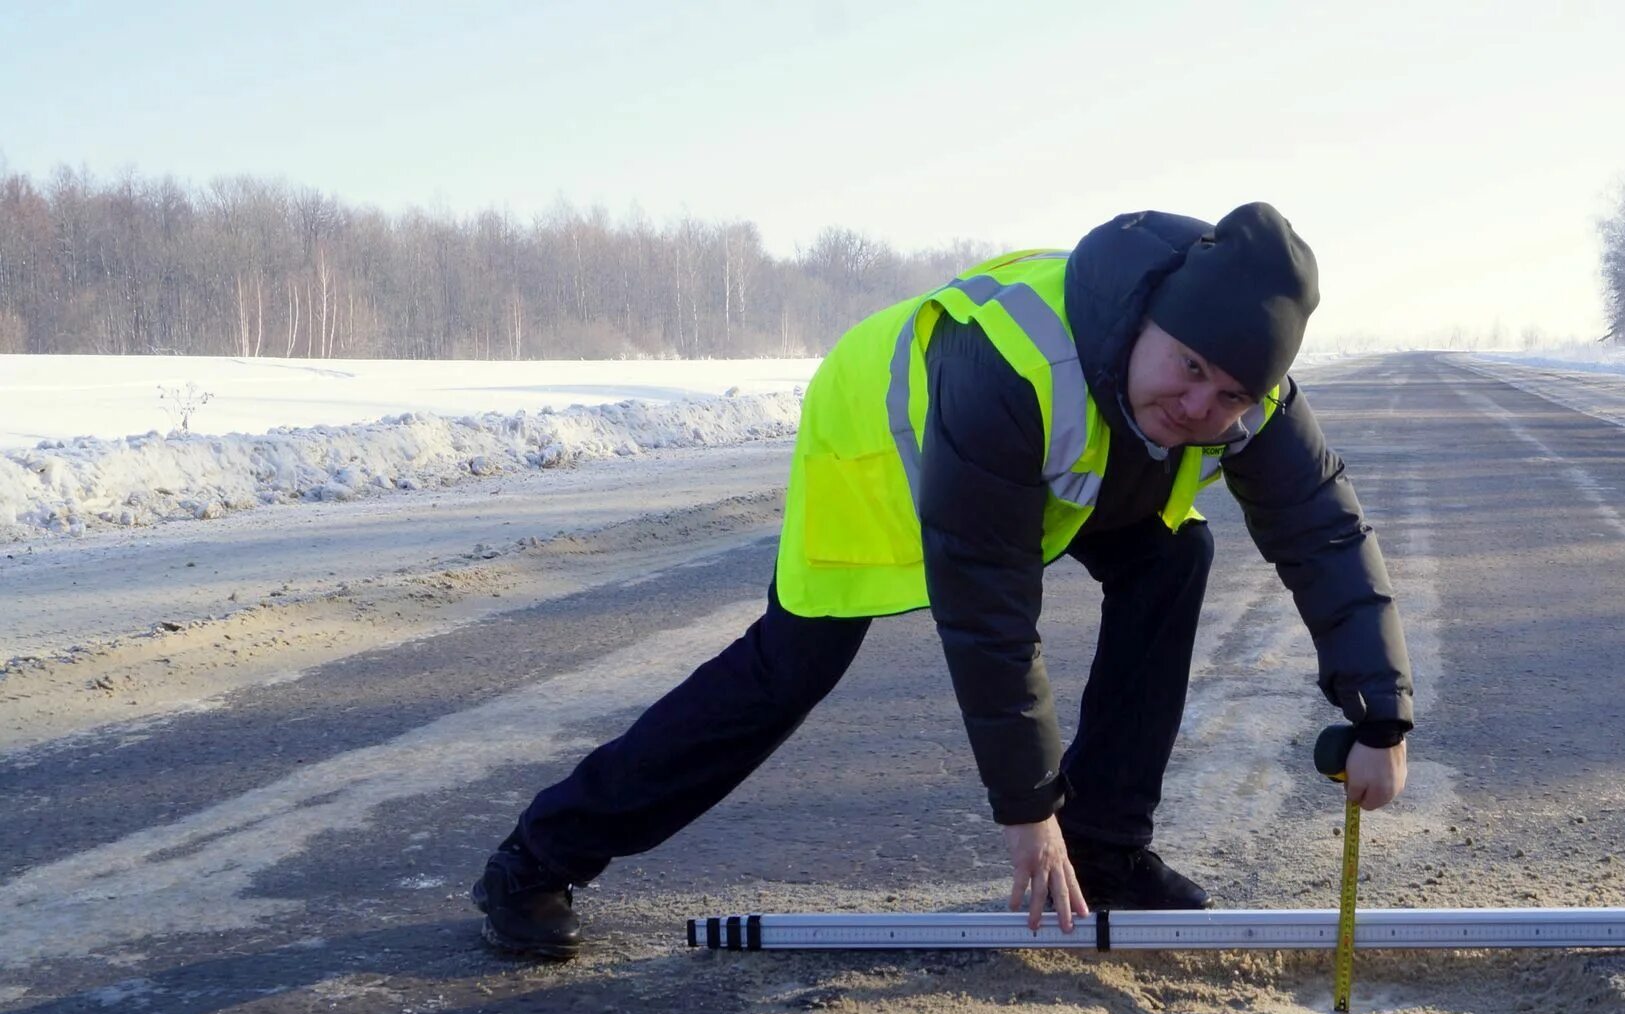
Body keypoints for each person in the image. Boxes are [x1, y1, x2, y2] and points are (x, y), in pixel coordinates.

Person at [471, 203, 1414, 959]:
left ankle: (1108, 850)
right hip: (880, 453)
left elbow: (1323, 531)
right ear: (1152, 319)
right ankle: (537, 858)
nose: (1200, 408)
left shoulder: (1245, 391)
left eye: (1232, 397)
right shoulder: (1010, 361)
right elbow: (989, 609)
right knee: (786, 670)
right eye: (1191, 370)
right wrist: (1028, 808)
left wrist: (1379, 715)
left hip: (1061, 465)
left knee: (1173, 556)